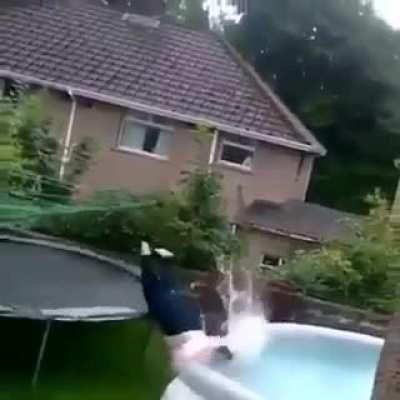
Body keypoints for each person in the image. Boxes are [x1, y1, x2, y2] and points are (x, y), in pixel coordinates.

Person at [140, 242, 233, 369]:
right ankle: (155, 261)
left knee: (161, 290)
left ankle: (154, 261)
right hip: (187, 328)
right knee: (162, 291)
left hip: (186, 328)